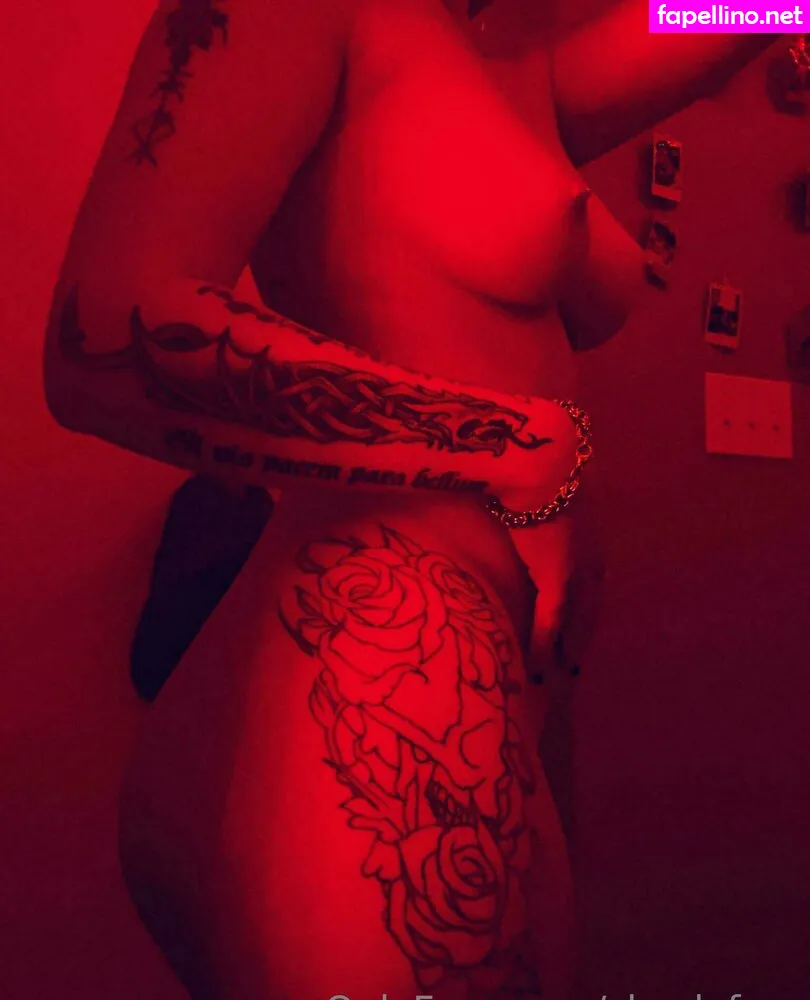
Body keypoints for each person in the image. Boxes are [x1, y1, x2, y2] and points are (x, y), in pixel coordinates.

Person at [42, 0, 776, 996]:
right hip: (384, 648)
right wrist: (511, 443)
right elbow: (108, 323)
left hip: (501, 669)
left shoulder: (513, 59)